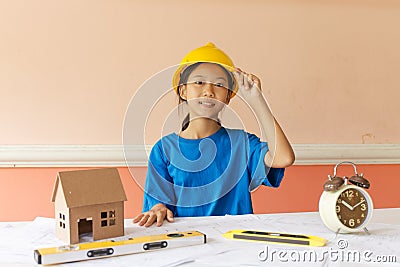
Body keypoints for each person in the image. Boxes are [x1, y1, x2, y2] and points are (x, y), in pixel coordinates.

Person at [133, 43, 295, 227]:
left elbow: (283, 157)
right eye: (199, 82)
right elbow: (157, 205)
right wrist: (158, 209)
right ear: (183, 90)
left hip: (237, 242)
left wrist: (257, 100)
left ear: (227, 96)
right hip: (188, 244)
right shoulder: (163, 149)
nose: (209, 91)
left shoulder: (242, 143)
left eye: (219, 84)